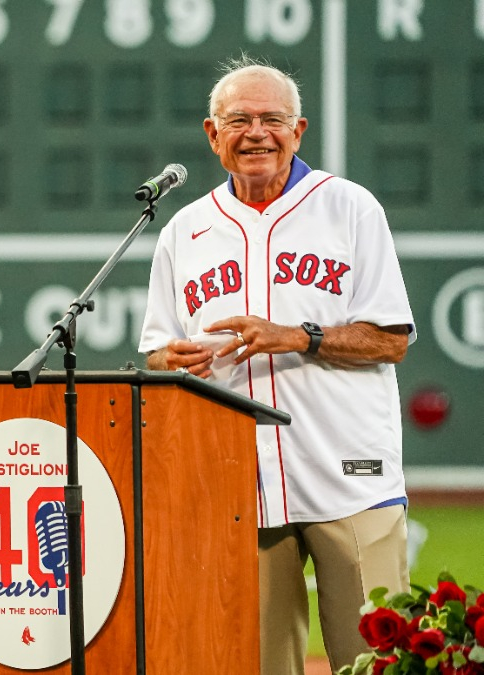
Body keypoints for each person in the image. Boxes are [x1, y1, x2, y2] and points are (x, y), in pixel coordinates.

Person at [137, 56, 416, 674]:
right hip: (239, 486)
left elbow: (391, 339)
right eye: (238, 119)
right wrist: (171, 361)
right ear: (212, 136)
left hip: (351, 478)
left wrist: (296, 336)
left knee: (375, 661)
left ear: (299, 130)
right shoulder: (183, 231)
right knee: (255, 665)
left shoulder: (349, 208)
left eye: (272, 119)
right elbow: (157, 349)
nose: (256, 132)